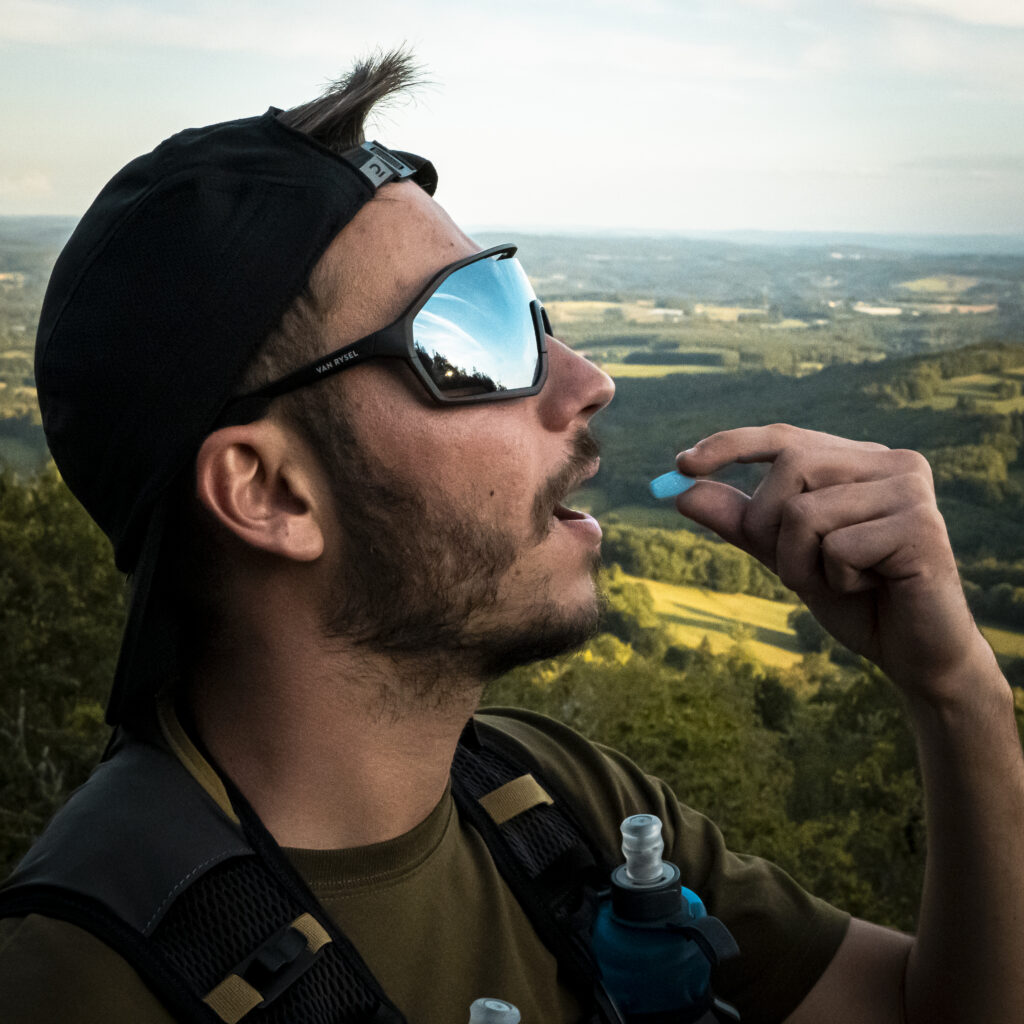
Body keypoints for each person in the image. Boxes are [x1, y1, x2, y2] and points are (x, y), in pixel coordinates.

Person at [1, 50, 1021, 1024]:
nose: (586, 382)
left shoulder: (562, 808)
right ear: (270, 492)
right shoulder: (83, 982)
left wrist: (958, 694)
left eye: (525, 309)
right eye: (468, 335)